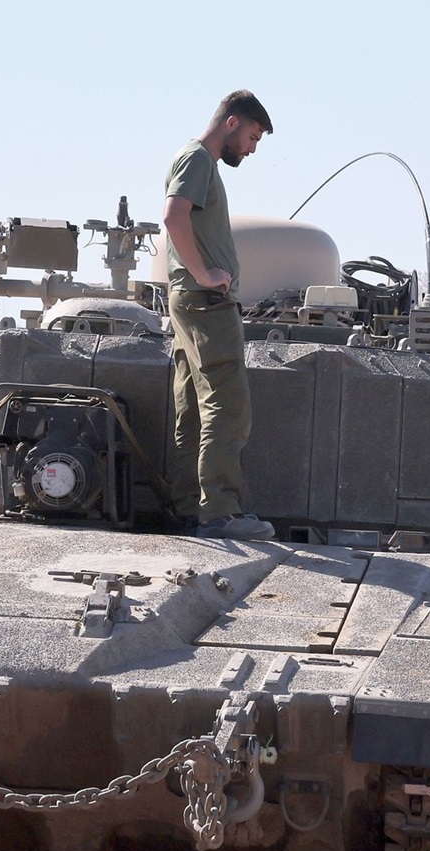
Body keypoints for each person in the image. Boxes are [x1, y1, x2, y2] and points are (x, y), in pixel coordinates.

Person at [163, 90, 275, 540]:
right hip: (204, 302)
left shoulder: (194, 160)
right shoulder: (197, 160)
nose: (251, 149)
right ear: (231, 123)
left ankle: (190, 507)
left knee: (191, 407)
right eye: (251, 137)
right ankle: (221, 512)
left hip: (190, 299)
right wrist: (205, 273)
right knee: (227, 404)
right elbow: (174, 217)